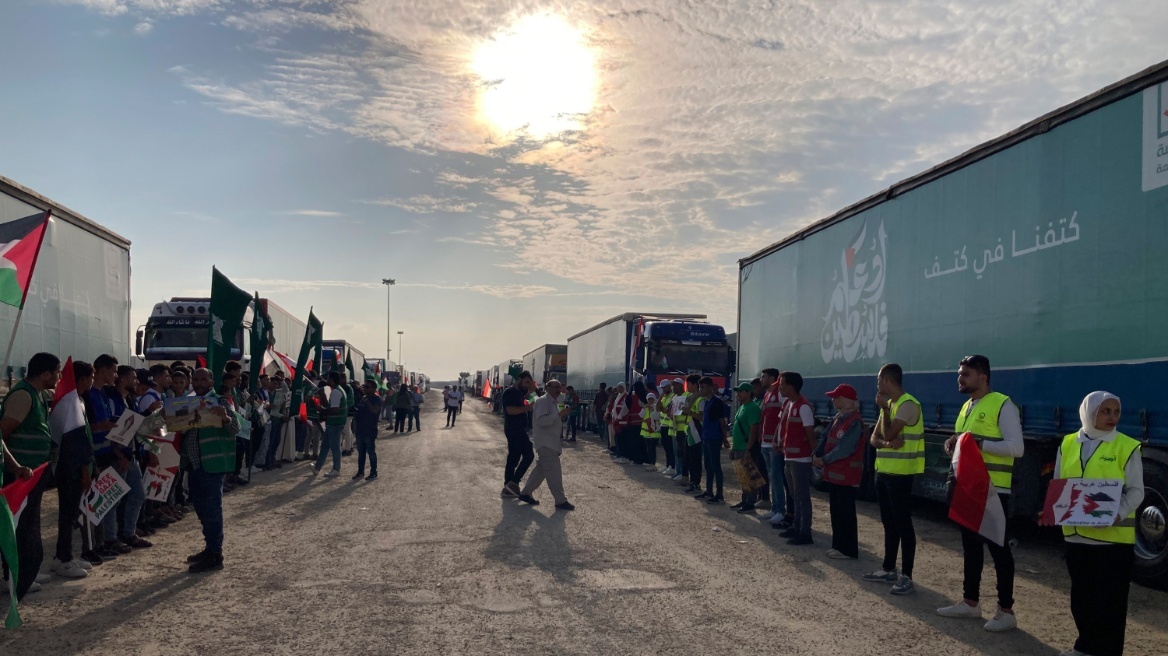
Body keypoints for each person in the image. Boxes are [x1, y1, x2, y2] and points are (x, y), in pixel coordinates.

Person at [937, 354, 1024, 632]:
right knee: (970, 547)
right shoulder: (967, 406)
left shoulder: (1003, 404)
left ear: (983, 377)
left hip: (993, 490)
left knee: (999, 550)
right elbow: (966, 444)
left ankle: (1006, 610)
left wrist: (980, 443)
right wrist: (953, 443)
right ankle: (971, 602)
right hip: (967, 488)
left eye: (965, 374)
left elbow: (1016, 448)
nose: (959, 378)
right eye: (960, 373)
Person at [1055, 392, 1143, 656]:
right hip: (1076, 535)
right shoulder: (1068, 443)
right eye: (1106, 411)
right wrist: (1052, 509)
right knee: (1081, 599)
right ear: (1089, 412)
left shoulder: (1126, 446)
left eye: (1116, 412)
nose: (1112, 418)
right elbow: (1060, 485)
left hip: (1112, 540)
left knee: (1111, 603)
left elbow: (1137, 491)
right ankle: (1085, 647)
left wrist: (1117, 513)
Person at [0, 353, 61, 597]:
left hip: (33, 474)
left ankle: (27, 572)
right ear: (46, 373)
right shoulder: (23, 396)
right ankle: (14, 577)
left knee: (30, 524)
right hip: (19, 476)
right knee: (18, 527)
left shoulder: (39, 395)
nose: (58, 377)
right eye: (56, 372)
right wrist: (14, 467)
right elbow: (2, 434)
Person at [863, 363, 924, 595]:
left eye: (879, 380)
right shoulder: (889, 405)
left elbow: (887, 433)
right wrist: (888, 442)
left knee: (903, 524)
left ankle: (907, 576)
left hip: (902, 474)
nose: (877, 385)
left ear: (887, 381)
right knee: (889, 523)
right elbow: (875, 439)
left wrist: (886, 414)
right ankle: (889, 568)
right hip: (885, 471)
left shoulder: (907, 404)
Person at [182, 368, 241, 574]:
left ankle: (215, 553)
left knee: (212, 509)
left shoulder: (220, 402)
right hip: (195, 465)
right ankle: (210, 547)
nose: (198, 382)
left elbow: (236, 428)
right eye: (195, 379)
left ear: (211, 381)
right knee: (201, 509)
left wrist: (225, 418)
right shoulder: (187, 403)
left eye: (203, 378)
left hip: (212, 465)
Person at [51, 360, 96, 579]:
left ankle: (64, 555)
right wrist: (84, 472)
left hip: (75, 467)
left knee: (70, 513)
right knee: (68, 514)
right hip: (70, 469)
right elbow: (74, 445)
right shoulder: (71, 402)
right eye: (91, 376)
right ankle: (63, 559)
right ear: (83, 379)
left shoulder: (78, 399)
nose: (92, 381)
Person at [814, 384, 867, 560]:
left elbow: (845, 448)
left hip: (847, 475)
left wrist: (825, 459)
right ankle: (838, 545)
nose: (833, 400)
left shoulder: (855, 422)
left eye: (837, 397)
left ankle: (848, 549)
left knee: (846, 512)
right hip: (835, 475)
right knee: (836, 511)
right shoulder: (839, 417)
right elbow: (825, 437)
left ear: (846, 400)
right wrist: (818, 454)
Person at [517, 379, 575, 510]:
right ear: (547, 388)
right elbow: (542, 421)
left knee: (541, 471)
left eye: (559, 387)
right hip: (546, 442)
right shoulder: (543, 401)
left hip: (551, 442)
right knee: (554, 472)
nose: (558, 390)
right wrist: (558, 414)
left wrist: (563, 414)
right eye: (555, 387)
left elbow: (559, 417)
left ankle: (526, 493)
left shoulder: (556, 402)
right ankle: (560, 500)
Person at [778, 371, 815, 545]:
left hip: (800, 459)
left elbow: (810, 434)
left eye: (782, 384)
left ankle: (805, 532)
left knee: (802, 496)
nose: (780, 387)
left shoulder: (803, 406)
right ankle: (796, 526)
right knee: (794, 494)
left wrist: (813, 454)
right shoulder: (791, 404)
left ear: (791, 386)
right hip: (790, 457)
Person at [758, 368, 789, 529]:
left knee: (777, 478)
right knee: (771, 477)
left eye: (763, 377)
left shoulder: (779, 394)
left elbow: (783, 419)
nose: (761, 379)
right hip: (765, 442)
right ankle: (774, 508)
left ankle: (780, 511)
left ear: (772, 378)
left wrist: (779, 440)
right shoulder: (768, 394)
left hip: (774, 444)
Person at [693, 377, 729, 504]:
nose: (701, 390)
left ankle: (719, 494)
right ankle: (709, 491)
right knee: (708, 465)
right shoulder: (707, 402)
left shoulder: (716, 402)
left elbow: (722, 421)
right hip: (707, 437)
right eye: (700, 387)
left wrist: (725, 438)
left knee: (715, 466)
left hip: (714, 438)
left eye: (703, 387)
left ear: (710, 387)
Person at [500, 371, 535, 498]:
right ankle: (512, 483)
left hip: (520, 430)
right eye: (525, 382)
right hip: (514, 430)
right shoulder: (510, 393)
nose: (527, 385)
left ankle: (509, 486)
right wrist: (528, 408)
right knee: (528, 455)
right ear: (518, 379)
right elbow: (510, 410)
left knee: (514, 458)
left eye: (528, 383)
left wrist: (532, 387)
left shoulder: (520, 393)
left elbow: (536, 398)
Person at [729, 381, 762, 513]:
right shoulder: (743, 407)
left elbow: (754, 429)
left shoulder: (752, 408)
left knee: (749, 476)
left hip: (746, 447)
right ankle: (744, 500)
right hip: (739, 447)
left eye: (741, 392)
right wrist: (733, 447)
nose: (738, 394)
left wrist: (749, 448)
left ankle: (750, 503)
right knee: (742, 476)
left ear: (748, 393)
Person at [313, 371, 348, 477]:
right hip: (333, 423)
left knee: (335, 447)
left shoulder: (336, 392)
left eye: (328, 379)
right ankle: (317, 468)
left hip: (335, 423)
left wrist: (322, 410)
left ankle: (336, 469)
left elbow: (335, 410)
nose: (327, 381)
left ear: (332, 380)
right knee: (324, 446)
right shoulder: (338, 390)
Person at [352, 380, 382, 481]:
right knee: (361, 452)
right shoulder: (363, 398)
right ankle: (360, 472)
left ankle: (373, 472)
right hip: (360, 429)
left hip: (370, 429)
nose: (365, 389)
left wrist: (368, 401)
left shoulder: (376, 398)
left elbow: (375, 410)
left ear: (373, 388)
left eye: (367, 387)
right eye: (364, 387)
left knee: (371, 452)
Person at [682, 374, 705, 492]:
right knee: (688, 458)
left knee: (695, 459)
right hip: (689, 432)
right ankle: (691, 480)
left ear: (695, 384)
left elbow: (702, 417)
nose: (688, 387)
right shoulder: (690, 397)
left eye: (689, 384)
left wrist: (689, 412)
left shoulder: (700, 399)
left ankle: (696, 482)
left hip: (697, 433)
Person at [640, 392, 663, 472]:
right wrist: (644, 408)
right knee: (648, 448)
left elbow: (657, 417)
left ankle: (653, 464)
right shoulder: (645, 407)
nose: (650, 400)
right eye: (649, 399)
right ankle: (650, 463)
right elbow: (640, 415)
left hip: (654, 432)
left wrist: (652, 410)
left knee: (652, 448)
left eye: (652, 399)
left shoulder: (656, 407)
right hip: (646, 432)